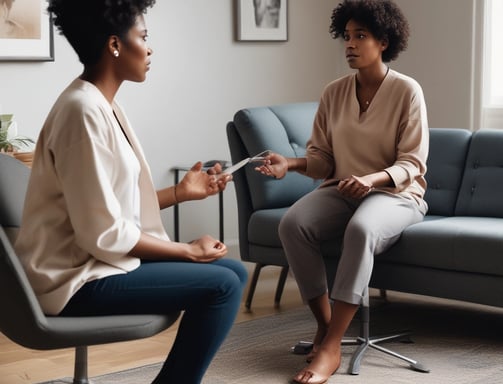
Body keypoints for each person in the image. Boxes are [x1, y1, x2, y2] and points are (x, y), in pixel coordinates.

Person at [14, 1, 247, 383]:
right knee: (222, 285)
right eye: (144, 37)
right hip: (75, 281)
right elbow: (103, 234)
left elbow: (107, 208)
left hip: (96, 262)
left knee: (234, 271)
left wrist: (180, 192)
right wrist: (187, 250)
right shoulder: (82, 112)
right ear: (114, 45)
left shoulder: (101, 105)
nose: (150, 48)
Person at [255, 1, 429, 383]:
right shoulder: (334, 92)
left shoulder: (407, 91)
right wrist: (292, 163)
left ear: (383, 42)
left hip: (398, 194)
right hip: (344, 187)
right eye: (346, 37)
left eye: (360, 36)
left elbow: (413, 163)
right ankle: (325, 326)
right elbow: (322, 158)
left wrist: (372, 179)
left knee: (361, 229)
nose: (350, 44)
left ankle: (331, 347)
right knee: (293, 223)